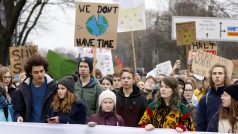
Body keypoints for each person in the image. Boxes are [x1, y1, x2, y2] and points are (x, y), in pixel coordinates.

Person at [15, 55, 57, 122]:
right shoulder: (22, 88)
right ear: (30, 73)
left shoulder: (54, 87)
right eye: (36, 72)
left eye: (41, 71)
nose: (39, 74)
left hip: (48, 126)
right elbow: (18, 110)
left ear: (45, 70)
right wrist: (18, 116)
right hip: (30, 127)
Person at [196, 64, 231, 131]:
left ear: (225, 76)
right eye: (214, 73)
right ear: (211, 76)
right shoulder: (205, 98)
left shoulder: (231, 96)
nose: (217, 76)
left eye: (220, 73)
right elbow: (200, 123)